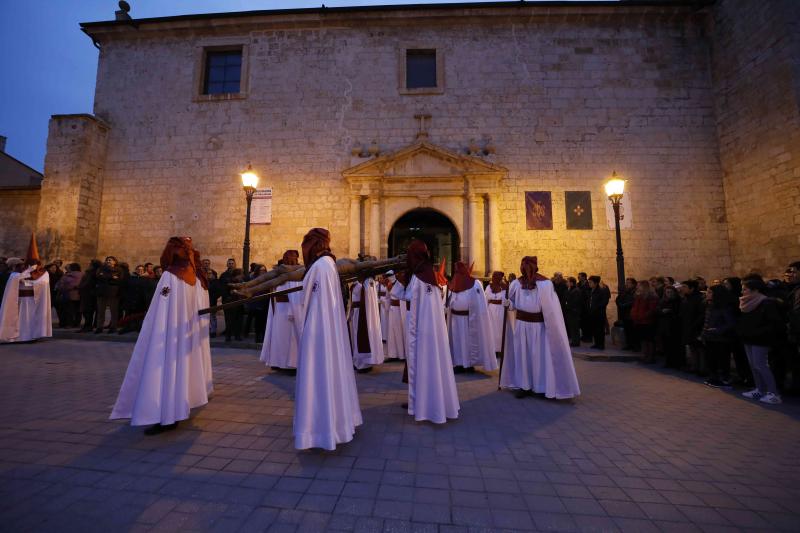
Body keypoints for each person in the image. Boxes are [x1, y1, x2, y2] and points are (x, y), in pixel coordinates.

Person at [111, 237, 213, 434]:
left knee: (164, 373)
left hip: (165, 338)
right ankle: (176, 409)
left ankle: (166, 415)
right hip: (182, 339)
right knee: (179, 372)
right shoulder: (195, 280)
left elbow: (160, 310)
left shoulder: (170, 276)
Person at [294, 228, 362, 450]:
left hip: (318, 333)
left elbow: (310, 303)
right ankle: (335, 425)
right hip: (324, 329)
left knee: (318, 376)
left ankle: (318, 431)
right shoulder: (328, 264)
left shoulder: (320, 267)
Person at [500, 256, 580, 399]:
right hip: (521, 326)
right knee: (523, 356)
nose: (527, 270)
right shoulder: (516, 284)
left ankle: (540, 386)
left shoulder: (544, 284)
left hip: (539, 327)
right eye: (524, 266)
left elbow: (551, 309)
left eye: (529, 266)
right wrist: (508, 304)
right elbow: (513, 303)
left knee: (539, 357)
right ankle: (524, 386)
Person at [401, 240, 459, 423]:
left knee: (423, 367)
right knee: (434, 367)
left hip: (421, 334)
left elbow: (408, 298)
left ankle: (423, 406)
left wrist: (397, 281)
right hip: (432, 333)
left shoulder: (419, 279)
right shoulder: (431, 276)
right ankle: (431, 403)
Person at [738, 277, 783, 404]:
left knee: (761, 365)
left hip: (761, 339)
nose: (742, 292)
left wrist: (758, 332)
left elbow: (774, 323)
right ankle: (760, 390)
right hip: (748, 338)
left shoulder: (766, 303)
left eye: (745, 289)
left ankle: (774, 394)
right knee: (753, 366)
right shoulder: (746, 302)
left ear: (755, 290)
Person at [447, 261, 497, 373]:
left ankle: (469, 364)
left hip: (468, 320)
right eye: (456, 271)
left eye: (459, 271)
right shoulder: (453, 284)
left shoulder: (475, 284)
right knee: (457, 342)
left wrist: (479, 317)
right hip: (455, 319)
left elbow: (480, 303)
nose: (457, 274)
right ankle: (459, 363)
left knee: (467, 342)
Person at [261, 250, 303, 372]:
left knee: (291, 338)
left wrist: (293, 310)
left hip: (291, 311)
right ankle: (277, 362)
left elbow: (296, 293)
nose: (293, 260)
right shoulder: (279, 274)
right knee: (279, 337)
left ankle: (291, 365)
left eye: (294, 258)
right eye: (290, 257)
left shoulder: (297, 274)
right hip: (279, 310)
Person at [0, 257, 53, 343]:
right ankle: (18, 337)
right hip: (19, 299)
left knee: (30, 318)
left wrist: (27, 281)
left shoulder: (43, 273)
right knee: (19, 319)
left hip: (32, 299)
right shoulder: (16, 274)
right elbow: (16, 278)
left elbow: (43, 283)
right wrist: (27, 274)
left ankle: (29, 336)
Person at [348, 271, 385, 373]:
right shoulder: (364, 284)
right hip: (356, 313)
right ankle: (359, 362)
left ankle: (363, 364)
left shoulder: (364, 285)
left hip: (360, 314)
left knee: (359, 336)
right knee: (356, 337)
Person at [701, 284, 736, 387]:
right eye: (707, 292)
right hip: (710, 337)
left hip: (721, 339)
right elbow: (706, 321)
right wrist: (703, 334)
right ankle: (713, 377)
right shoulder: (709, 305)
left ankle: (724, 379)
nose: (707, 294)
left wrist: (718, 330)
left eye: (710, 292)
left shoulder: (724, 307)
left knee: (721, 360)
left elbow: (731, 323)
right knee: (711, 359)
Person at [680, 280, 706, 373]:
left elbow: (701, 314)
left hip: (696, 327)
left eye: (684, 287)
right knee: (692, 347)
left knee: (700, 349)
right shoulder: (686, 298)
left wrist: (695, 324)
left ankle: (702, 368)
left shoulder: (699, 298)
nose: (682, 289)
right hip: (688, 326)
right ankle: (694, 366)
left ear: (692, 288)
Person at [631, 280, 659, 362]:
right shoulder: (638, 295)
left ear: (644, 286)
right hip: (639, 321)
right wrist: (634, 315)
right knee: (643, 339)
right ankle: (644, 355)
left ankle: (650, 357)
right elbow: (635, 307)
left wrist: (642, 316)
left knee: (649, 340)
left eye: (639, 285)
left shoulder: (651, 296)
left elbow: (651, 309)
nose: (637, 287)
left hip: (647, 321)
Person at [657, 284, 683, 368]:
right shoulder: (663, 301)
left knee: (674, 345)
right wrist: (662, 311)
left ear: (674, 292)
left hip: (673, 326)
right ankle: (668, 361)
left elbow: (679, 313)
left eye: (670, 292)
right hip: (664, 326)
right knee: (666, 345)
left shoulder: (678, 301)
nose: (669, 294)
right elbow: (657, 310)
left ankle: (676, 362)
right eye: (667, 292)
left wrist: (670, 312)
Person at [95, 256, 123, 333]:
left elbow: (119, 280)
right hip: (102, 292)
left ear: (115, 262)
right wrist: (111, 277)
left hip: (113, 292)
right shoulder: (101, 269)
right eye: (107, 260)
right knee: (101, 311)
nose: (108, 261)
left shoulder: (119, 270)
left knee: (113, 311)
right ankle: (99, 327)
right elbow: (98, 277)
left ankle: (113, 327)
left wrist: (104, 276)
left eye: (110, 260)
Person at [484, 271, 508, 355]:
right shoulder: (488, 287)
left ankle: (501, 349)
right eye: (493, 277)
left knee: (500, 329)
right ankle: (492, 349)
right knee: (491, 330)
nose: (493, 278)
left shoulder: (505, 288)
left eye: (495, 277)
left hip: (500, 311)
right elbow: (486, 299)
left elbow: (506, 300)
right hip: (490, 311)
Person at [386, 270, 408, 360]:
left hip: (400, 311)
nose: (390, 277)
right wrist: (387, 308)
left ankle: (402, 354)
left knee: (400, 332)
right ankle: (393, 354)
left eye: (391, 275)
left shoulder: (402, 284)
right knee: (392, 333)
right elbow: (387, 298)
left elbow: (403, 298)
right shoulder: (389, 285)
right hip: (392, 310)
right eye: (388, 276)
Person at [55, 263, 82, 328]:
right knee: (78, 311)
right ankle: (77, 323)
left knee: (69, 311)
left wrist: (61, 288)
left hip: (69, 295)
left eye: (68, 268)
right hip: (80, 295)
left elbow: (61, 285)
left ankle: (70, 324)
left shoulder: (67, 276)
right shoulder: (82, 275)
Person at [587, 275, 609, 349]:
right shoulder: (591, 291)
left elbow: (604, 302)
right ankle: (596, 343)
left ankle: (601, 344)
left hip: (599, 313)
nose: (589, 284)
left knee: (600, 329)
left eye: (591, 282)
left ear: (596, 283)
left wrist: (596, 308)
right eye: (589, 282)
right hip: (592, 313)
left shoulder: (601, 291)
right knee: (594, 329)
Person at [616, 277, 637, 351]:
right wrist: (620, 304)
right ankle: (629, 344)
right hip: (625, 314)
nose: (627, 284)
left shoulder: (635, 292)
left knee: (633, 331)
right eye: (626, 283)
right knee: (627, 330)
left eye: (628, 283)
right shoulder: (625, 291)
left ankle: (635, 346)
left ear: (633, 284)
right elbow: (618, 299)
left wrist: (625, 305)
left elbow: (634, 301)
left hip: (631, 314)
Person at [201, 258, 219, 337]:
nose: (207, 265)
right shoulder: (200, 274)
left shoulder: (214, 275)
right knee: (203, 316)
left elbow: (216, 289)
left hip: (212, 300)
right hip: (202, 300)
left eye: (208, 263)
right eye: (205, 263)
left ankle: (213, 331)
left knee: (212, 316)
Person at [564, 277, 582, 347]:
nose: (566, 283)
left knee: (575, 327)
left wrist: (568, 306)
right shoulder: (570, 290)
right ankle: (574, 341)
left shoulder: (576, 291)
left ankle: (576, 342)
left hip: (574, 311)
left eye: (567, 282)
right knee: (572, 327)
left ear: (571, 283)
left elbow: (575, 301)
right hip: (570, 311)